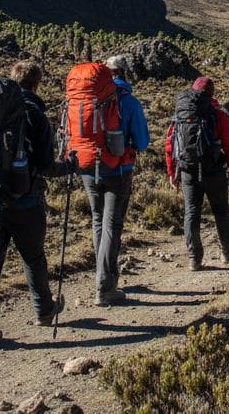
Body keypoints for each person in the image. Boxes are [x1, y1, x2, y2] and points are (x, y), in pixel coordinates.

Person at [0, 61, 73, 349]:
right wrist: (70, 166)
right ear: (36, 84)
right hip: (25, 200)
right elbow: (44, 166)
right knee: (33, 256)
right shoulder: (35, 115)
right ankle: (43, 310)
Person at [80, 56, 149, 307]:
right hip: (118, 170)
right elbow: (142, 142)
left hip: (88, 168)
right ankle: (105, 286)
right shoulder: (128, 102)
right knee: (111, 224)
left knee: (98, 222)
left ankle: (105, 278)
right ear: (125, 73)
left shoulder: (89, 97)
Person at [166, 77, 229, 270]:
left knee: (191, 212)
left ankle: (194, 258)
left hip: (187, 170)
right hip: (214, 170)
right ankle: (228, 250)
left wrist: (171, 172)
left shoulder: (181, 114)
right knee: (221, 210)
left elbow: (170, 145)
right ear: (211, 93)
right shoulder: (219, 115)